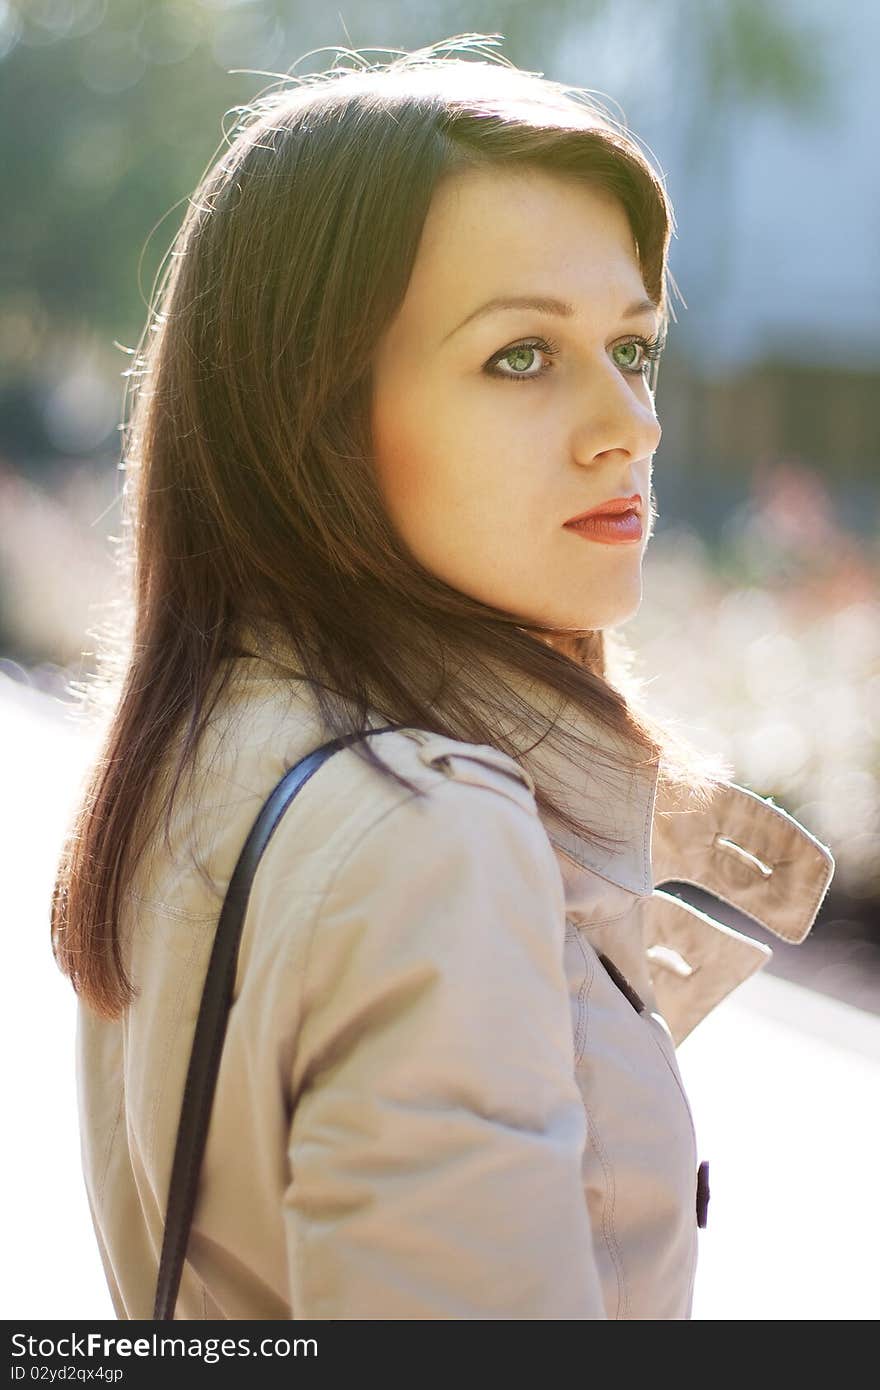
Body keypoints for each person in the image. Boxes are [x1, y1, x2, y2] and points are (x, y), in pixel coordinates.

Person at [51, 37, 834, 1320]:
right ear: (316, 420)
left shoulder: (208, 745)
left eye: (631, 347)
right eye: (519, 355)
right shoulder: (425, 836)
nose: (629, 425)